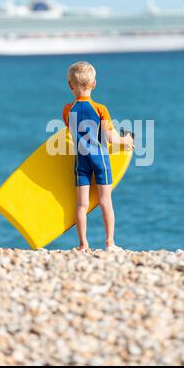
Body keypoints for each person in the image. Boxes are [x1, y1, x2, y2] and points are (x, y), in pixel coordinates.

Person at [62, 61, 134, 252]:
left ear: (70, 85)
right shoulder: (100, 109)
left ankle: (83, 244)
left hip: (81, 160)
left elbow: (72, 131)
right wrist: (126, 141)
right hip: (100, 159)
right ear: (94, 84)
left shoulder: (68, 110)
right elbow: (110, 138)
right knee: (105, 202)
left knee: (82, 204)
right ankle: (110, 242)